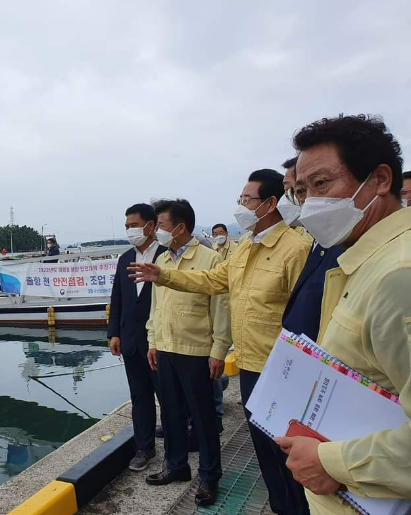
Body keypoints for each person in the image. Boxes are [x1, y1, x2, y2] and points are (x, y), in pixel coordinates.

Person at [129, 169, 311, 515]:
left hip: (282, 366)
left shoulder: (295, 249)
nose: (240, 206)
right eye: (240, 199)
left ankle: (292, 506)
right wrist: (163, 275)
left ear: (270, 203)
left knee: (287, 450)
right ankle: (280, 505)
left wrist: (217, 350)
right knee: (264, 449)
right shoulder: (245, 248)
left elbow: (303, 316)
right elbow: (214, 282)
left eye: (247, 200)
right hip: (250, 364)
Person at [274, 114, 411, 514]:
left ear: (381, 180)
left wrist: (332, 462)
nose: (311, 203)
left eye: (321, 184)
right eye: (302, 191)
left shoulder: (399, 275)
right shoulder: (362, 261)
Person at [143, 199, 230, 507]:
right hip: (165, 349)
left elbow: (221, 308)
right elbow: (157, 307)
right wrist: (153, 341)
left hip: (196, 352)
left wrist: (219, 350)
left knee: (204, 418)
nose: (157, 232)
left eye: (162, 225)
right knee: (171, 413)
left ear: (180, 227)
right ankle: (176, 466)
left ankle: (209, 476)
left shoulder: (210, 260)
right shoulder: (162, 260)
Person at [108, 203, 167, 472]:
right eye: (127, 227)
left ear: (151, 226)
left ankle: (175, 448)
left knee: (169, 398)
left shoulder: (167, 257)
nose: (130, 231)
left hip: (162, 343)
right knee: (140, 397)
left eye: (134, 225)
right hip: (131, 343)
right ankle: (144, 448)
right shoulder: (124, 259)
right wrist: (114, 333)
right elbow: (117, 299)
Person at [282, 157, 344, 343]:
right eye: (297, 192)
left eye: (319, 184)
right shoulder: (318, 242)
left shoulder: (342, 244)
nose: (306, 198)